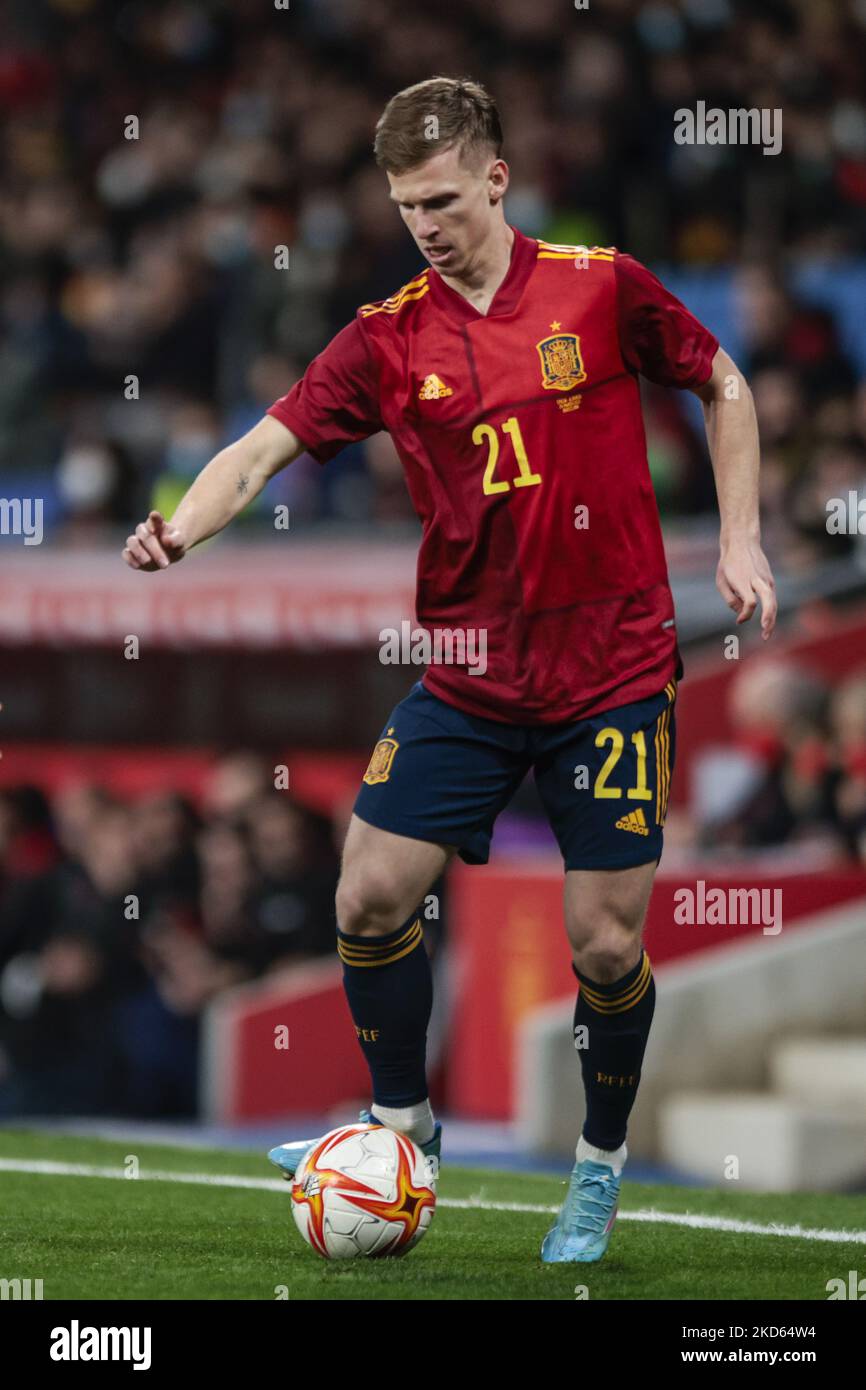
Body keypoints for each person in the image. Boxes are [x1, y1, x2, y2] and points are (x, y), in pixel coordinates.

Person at [122, 76, 777, 1264]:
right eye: (401, 204)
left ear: (493, 177)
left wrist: (736, 535)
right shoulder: (385, 336)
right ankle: (402, 1131)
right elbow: (261, 447)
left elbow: (721, 379)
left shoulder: (600, 283)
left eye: (438, 198)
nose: (422, 222)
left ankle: (594, 1168)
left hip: (612, 671)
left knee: (604, 946)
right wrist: (180, 526)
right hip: (470, 673)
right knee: (367, 893)